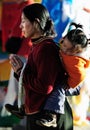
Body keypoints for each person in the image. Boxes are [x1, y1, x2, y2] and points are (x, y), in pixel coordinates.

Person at [7, 3, 73, 130]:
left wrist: (22, 72)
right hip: (39, 115)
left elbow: (44, 87)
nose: (20, 26)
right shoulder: (37, 46)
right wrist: (20, 72)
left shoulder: (46, 48)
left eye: (23, 21)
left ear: (36, 23)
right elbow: (34, 81)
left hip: (48, 118)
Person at [35, 22, 90, 127]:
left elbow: (80, 77)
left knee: (58, 88)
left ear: (77, 51)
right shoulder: (63, 44)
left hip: (75, 84)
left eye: (69, 50)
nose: (64, 49)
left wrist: (68, 84)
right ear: (64, 38)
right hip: (65, 76)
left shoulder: (76, 62)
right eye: (64, 45)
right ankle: (25, 107)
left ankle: (52, 116)